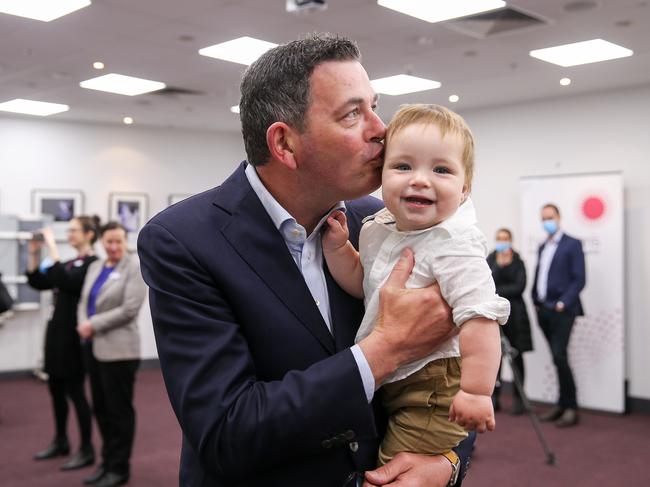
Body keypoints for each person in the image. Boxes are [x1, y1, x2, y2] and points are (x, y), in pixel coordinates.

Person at [138, 34, 475, 487]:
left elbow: (451, 368)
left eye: (375, 106)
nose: (382, 129)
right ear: (285, 144)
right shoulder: (182, 241)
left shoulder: (382, 223)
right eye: (353, 113)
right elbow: (226, 432)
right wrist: (385, 348)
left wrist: (446, 464)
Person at [322, 104, 508, 465]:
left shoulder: (454, 244)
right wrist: (339, 248)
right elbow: (364, 284)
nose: (419, 179)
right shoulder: (378, 227)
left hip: (435, 385)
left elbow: (481, 318)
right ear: (381, 174)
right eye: (402, 166)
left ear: (465, 188)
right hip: (393, 379)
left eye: (441, 169)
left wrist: (475, 391)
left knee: (396, 466)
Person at [26, 217, 99, 471]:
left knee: (75, 392)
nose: (69, 234)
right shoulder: (68, 263)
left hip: (74, 336)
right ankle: (61, 441)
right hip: (55, 332)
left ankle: (87, 449)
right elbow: (38, 281)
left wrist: (52, 248)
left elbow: (69, 282)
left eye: (74, 230)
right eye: (67, 231)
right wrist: (34, 254)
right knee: (55, 388)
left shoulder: (92, 264)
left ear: (89, 234)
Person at [77, 222, 146, 487]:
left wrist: (91, 325)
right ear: (101, 242)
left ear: (125, 241)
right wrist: (84, 322)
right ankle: (105, 462)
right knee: (101, 409)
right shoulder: (96, 266)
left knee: (119, 412)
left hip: (120, 351)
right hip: (94, 348)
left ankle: (119, 468)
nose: (114, 247)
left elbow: (129, 309)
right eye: (109, 242)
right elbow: (84, 301)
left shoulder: (134, 266)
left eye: (118, 241)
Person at [531, 203, 586, 428]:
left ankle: (571, 407)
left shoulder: (572, 244)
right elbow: (541, 274)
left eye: (550, 217)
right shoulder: (544, 246)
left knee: (560, 356)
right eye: (543, 218)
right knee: (556, 358)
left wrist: (563, 302)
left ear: (559, 217)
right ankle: (561, 404)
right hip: (543, 309)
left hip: (562, 310)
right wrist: (535, 298)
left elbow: (579, 278)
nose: (547, 222)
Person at [487, 228, 533, 415]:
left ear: (511, 241)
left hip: (516, 316)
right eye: (499, 239)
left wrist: (498, 291)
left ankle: (519, 398)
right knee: (494, 357)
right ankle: (494, 397)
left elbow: (519, 287)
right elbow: (485, 283)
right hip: (494, 315)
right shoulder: (490, 259)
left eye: (505, 239)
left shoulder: (518, 261)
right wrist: (498, 267)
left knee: (517, 356)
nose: (502, 242)